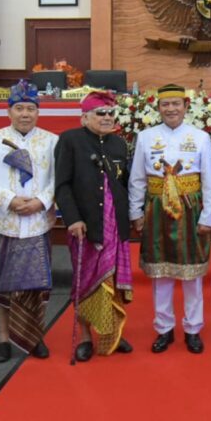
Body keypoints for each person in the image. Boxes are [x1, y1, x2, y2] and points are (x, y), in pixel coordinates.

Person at [128, 84, 211, 354]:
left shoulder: (200, 137)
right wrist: (136, 213)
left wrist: (208, 217)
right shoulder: (145, 137)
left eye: (176, 104)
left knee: (192, 275)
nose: (171, 109)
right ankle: (164, 328)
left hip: (190, 207)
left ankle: (193, 329)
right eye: (166, 105)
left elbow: (209, 181)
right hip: (157, 209)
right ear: (158, 108)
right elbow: (137, 179)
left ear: (186, 107)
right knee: (161, 273)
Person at [0, 80, 57, 361]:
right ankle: (3, 338)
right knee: (5, 283)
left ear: (38, 112)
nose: (25, 114)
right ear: (9, 111)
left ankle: (36, 336)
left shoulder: (51, 141)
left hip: (38, 223)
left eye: (31, 109)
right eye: (19, 108)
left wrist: (40, 202)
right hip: (6, 223)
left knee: (38, 284)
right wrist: (9, 200)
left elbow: (57, 180)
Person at [55, 91, 134, 362]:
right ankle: (86, 336)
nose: (107, 118)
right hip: (86, 227)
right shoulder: (70, 141)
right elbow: (62, 185)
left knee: (113, 281)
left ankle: (113, 332)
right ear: (84, 117)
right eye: (101, 113)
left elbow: (124, 185)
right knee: (87, 281)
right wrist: (72, 218)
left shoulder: (119, 144)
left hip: (116, 228)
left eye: (111, 113)